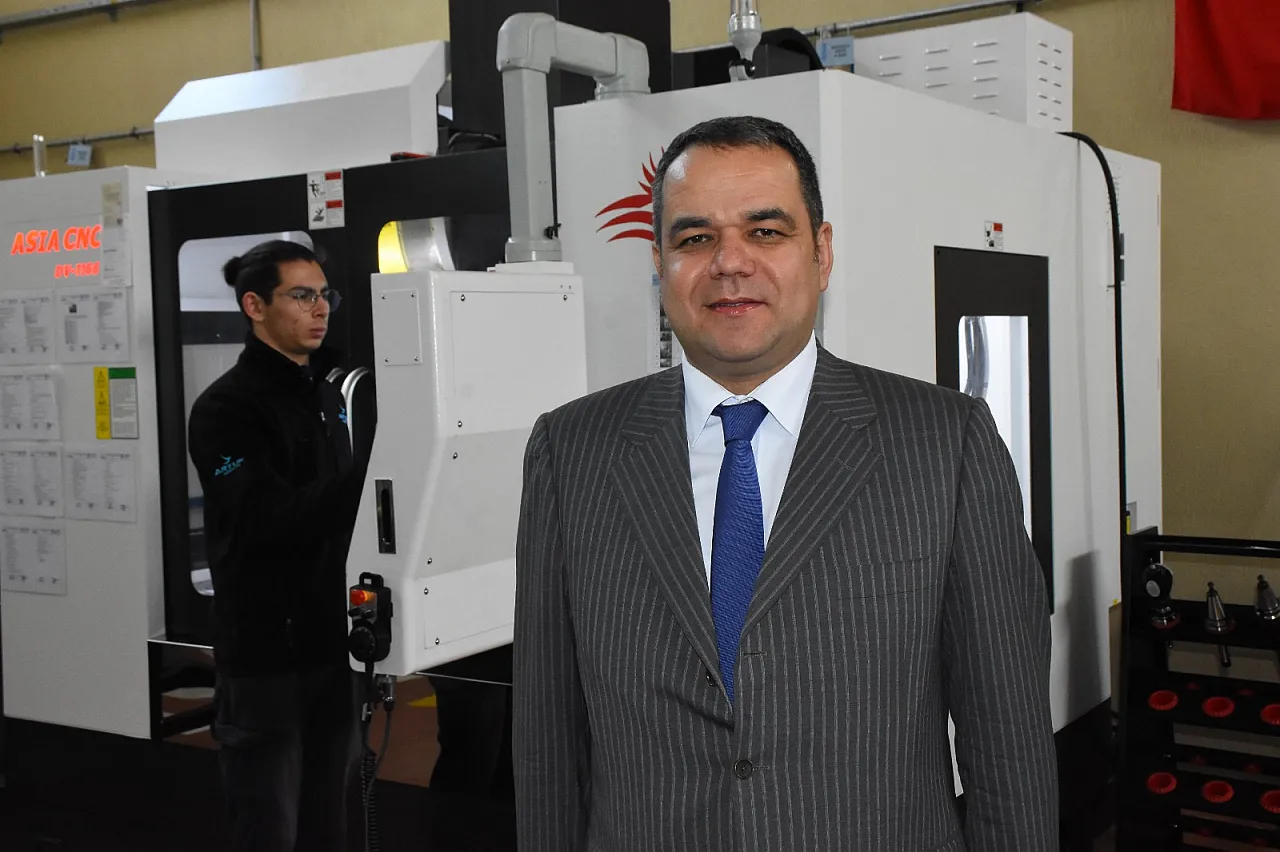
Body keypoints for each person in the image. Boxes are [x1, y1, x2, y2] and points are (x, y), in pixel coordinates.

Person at [512, 116, 1058, 851]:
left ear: (822, 252)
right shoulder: (571, 451)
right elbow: (547, 745)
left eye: (766, 232)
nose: (729, 263)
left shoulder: (944, 444)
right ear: (660, 262)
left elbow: (1010, 749)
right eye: (694, 238)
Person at [188, 239, 361, 852]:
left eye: (324, 295)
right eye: (301, 295)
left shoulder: (329, 394)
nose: (320, 308)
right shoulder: (225, 409)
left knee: (329, 819)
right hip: (267, 654)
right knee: (270, 821)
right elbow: (262, 515)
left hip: (333, 642)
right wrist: (370, 482)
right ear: (254, 306)